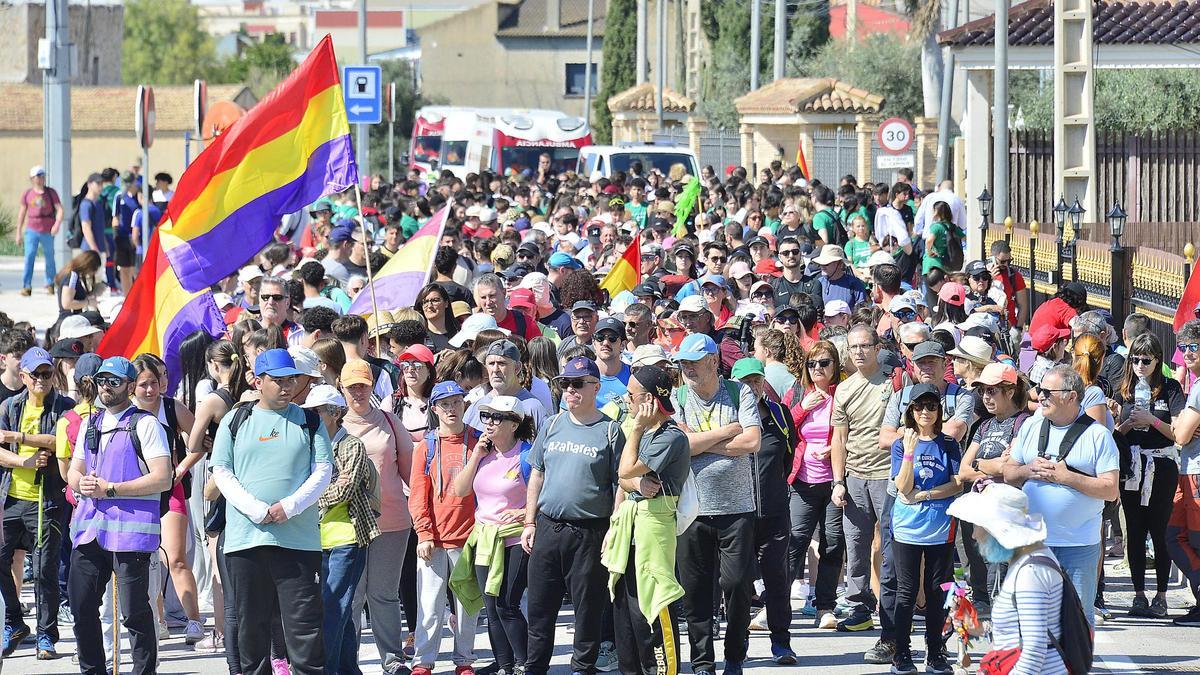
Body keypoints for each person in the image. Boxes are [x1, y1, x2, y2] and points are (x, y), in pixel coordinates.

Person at [211, 349, 334, 675]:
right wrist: (256, 510)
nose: (286, 386)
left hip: (298, 543)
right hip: (246, 543)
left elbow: (323, 470)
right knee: (252, 632)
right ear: (257, 381)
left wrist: (289, 507)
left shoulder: (310, 420)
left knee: (305, 630)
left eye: (291, 378)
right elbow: (221, 471)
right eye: (277, 380)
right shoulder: (235, 419)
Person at [66, 356, 172, 675]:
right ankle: (93, 670)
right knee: (81, 606)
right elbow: (74, 470)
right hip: (89, 532)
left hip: (131, 535)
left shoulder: (146, 424)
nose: (106, 387)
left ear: (129, 386)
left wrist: (111, 488)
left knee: (135, 614)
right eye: (101, 380)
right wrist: (79, 482)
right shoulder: (91, 422)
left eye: (114, 381)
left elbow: (163, 477)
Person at [521, 357, 624, 675]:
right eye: (565, 383)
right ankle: (534, 667)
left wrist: (614, 528)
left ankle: (583, 667)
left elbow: (620, 482)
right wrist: (529, 521)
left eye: (577, 383)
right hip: (549, 526)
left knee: (588, 607)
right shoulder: (552, 424)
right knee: (540, 607)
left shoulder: (610, 430)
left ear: (595, 386)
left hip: (590, 530)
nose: (569, 390)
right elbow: (536, 474)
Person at [1002, 364, 1120, 627]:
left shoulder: (1097, 435)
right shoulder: (1032, 426)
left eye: (1047, 391)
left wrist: (1066, 477)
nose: (1040, 396)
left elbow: (1111, 489)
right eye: (1039, 390)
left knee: (1076, 620)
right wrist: (1026, 469)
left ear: (1070, 396)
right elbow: (1008, 473)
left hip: (1078, 545)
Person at [671, 334, 761, 674]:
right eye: (683, 363)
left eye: (694, 361)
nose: (687, 368)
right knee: (695, 591)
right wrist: (725, 433)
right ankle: (702, 662)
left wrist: (699, 442)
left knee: (737, 584)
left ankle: (735, 655)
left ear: (712, 361)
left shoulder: (740, 392)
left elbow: (752, 440)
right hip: (692, 509)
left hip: (737, 508)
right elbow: (680, 445)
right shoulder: (678, 396)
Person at [603, 364, 690, 675]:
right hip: (632, 522)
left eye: (631, 396)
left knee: (654, 604)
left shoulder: (670, 436)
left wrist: (636, 430)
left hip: (654, 526)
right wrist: (637, 483)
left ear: (650, 400)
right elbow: (624, 478)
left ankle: (664, 670)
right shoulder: (640, 429)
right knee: (626, 609)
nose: (628, 402)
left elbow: (626, 469)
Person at [449, 393, 536, 675]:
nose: (489, 422)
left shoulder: (526, 455)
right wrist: (475, 455)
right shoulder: (483, 454)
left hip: (514, 539)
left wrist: (525, 514)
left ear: (514, 424)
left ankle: (525, 664)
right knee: (492, 607)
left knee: (508, 604)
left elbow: (545, 496)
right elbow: (460, 490)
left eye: (497, 417)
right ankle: (505, 665)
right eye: (486, 416)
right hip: (484, 539)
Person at [0, 346, 75, 659]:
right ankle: (15, 622)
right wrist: (23, 462)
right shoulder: (9, 405)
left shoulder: (63, 406)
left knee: (45, 571)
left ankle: (46, 635)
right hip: (11, 498)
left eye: (47, 373)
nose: (43, 380)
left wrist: (17, 437)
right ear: (23, 377)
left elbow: (63, 441)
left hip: (48, 501)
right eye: (36, 375)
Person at [829, 325, 899, 663]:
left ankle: (893, 605)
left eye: (864, 346)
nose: (858, 352)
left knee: (890, 546)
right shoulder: (843, 389)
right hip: (855, 476)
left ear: (876, 346)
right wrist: (837, 480)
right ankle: (858, 606)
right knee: (854, 544)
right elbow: (839, 440)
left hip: (888, 474)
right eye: (853, 347)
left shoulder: (895, 382)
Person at [341, 359, 414, 675]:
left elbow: (412, 472)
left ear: (372, 386)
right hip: (348, 523)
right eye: (351, 386)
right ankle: (348, 660)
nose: (358, 391)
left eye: (363, 385)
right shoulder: (332, 423)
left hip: (392, 521)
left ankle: (393, 660)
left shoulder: (389, 421)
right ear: (341, 389)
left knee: (383, 595)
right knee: (352, 596)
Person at [946, 483, 1067, 674]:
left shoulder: (1029, 574)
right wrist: (976, 627)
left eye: (979, 526)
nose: (975, 535)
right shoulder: (1022, 561)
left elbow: (1034, 651)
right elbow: (1018, 632)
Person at [130, 355, 205, 644]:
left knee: (176, 558)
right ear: (131, 387)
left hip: (170, 489)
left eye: (153, 383)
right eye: (142, 385)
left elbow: (200, 443)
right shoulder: (126, 413)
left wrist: (181, 468)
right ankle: (158, 621)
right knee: (149, 560)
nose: (150, 390)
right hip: (137, 491)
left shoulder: (172, 407)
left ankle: (194, 621)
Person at [889, 383, 962, 675]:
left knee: (935, 592)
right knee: (906, 592)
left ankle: (935, 652)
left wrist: (928, 494)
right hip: (907, 527)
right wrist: (908, 452)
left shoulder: (948, 444)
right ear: (911, 411)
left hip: (940, 527)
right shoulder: (900, 443)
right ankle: (901, 653)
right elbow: (903, 486)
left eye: (931, 406)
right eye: (919, 407)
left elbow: (957, 483)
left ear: (939, 411)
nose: (925, 412)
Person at [307, 384, 380, 675]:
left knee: (334, 608)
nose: (312, 417)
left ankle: (329, 670)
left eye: (318, 411)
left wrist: (309, 498)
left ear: (336, 413)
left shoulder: (352, 445)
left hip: (348, 538)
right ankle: (349, 670)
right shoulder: (310, 444)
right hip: (316, 539)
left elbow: (345, 490)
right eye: (309, 412)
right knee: (340, 609)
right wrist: (328, 485)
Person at [409, 379, 480, 675]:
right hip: (434, 538)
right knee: (429, 605)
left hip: (469, 537)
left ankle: (464, 660)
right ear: (435, 409)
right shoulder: (425, 446)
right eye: (445, 404)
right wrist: (424, 533)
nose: (451, 409)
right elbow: (417, 493)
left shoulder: (478, 441)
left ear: (465, 404)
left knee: (467, 606)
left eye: (456, 402)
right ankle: (423, 661)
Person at [732, 357, 799, 663]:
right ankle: (738, 645)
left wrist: (774, 491)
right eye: (746, 382)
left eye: (757, 380)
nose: (753, 387)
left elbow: (787, 458)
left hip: (774, 512)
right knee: (736, 583)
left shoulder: (780, 414)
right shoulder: (727, 417)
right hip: (737, 514)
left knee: (777, 579)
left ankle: (782, 643)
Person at [1113, 334, 1183, 619]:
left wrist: (1152, 420)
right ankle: (1139, 593)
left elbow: (1177, 432)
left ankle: (1162, 595)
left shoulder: (1170, 388)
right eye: (1135, 359)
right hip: (1133, 465)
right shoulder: (1126, 390)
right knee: (1135, 529)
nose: (1140, 365)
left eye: (1146, 360)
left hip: (1161, 464)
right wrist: (1128, 424)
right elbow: (1116, 434)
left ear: (1157, 360)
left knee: (1159, 529)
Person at [956, 362, 1030, 613]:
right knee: (980, 560)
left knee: (1000, 566)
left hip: (1006, 507)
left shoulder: (1022, 423)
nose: (986, 397)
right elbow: (964, 470)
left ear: (1009, 391)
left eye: (992, 391)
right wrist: (989, 465)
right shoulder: (984, 426)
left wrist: (986, 465)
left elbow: (1010, 469)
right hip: (980, 506)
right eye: (983, 391)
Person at [783, 340, 844, 630]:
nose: (817, 368)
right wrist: (800, 409)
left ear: (835, 366)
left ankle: (825, 607)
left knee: (832, 543)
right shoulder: (798, 393)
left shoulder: (843, 394)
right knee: (795, 541)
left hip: (834, 480)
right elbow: (779, 427)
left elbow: (855, 432)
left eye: (824, 363)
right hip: (803, 481)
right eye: (812, 363)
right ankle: (778, 602)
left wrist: (834, 448)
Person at [17, 166, 63, 297]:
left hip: (47, 230)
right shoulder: (27, 194)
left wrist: (57, 224)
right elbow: (21, 213)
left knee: (49, 258)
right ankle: (27, 286)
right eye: (38, 175)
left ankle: (50, 284)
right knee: (29, 257)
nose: (41, 178)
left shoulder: (51, 193)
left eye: (43, 175)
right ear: (32, 178)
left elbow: (60, 209)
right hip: (31, 229)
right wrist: (18, 232)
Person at [417, 283, 461, 352]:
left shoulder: (459, 335)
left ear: (446, 303)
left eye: (435, 300)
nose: (429, 306)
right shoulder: (419, 337)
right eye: (425, 302)